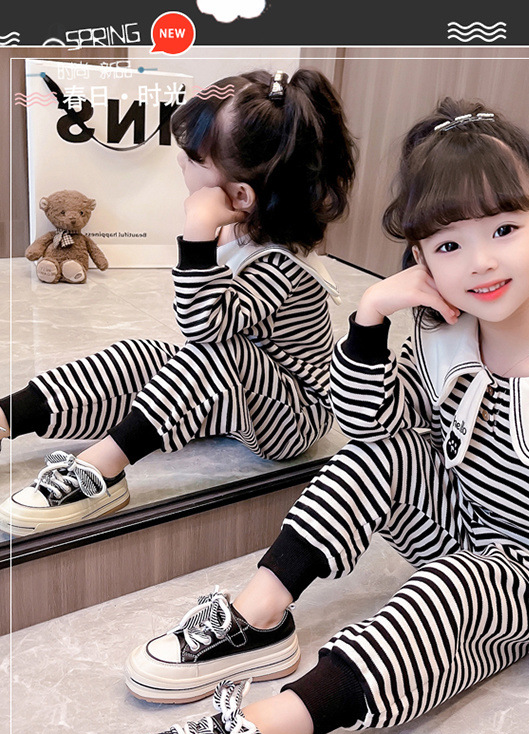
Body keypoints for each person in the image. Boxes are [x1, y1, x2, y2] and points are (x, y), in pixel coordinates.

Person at [86, 98, 529, 734]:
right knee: (382, 453)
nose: (481, 261)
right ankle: (257, 617)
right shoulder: (445, 335)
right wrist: (371, 316)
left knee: (454, 587)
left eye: (504, 229)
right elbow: (372, 426)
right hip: (456, 524)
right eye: (449, 244)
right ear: (422, 259)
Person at [0, 69, 356, 547]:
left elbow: (203, 327)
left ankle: (103, 469)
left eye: (193, 158)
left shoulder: (282, 264)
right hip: (239, 393)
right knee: (142, 356)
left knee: (214, 353)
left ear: (240, 195)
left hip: (292, 416)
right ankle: (10, 415)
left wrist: (197, 235)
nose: (180, 162)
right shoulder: (241, 227)